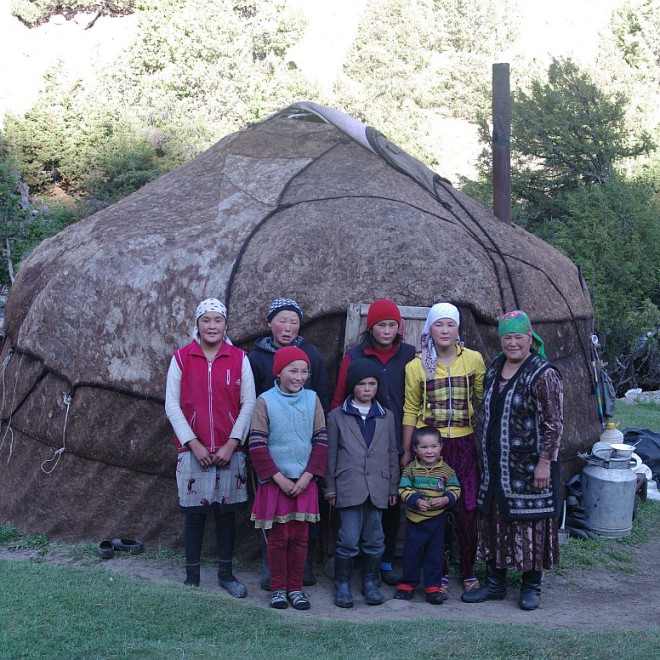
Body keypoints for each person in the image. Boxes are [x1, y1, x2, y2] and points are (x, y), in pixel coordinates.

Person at [462, 310, 563, 611]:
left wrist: (545, 461)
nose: (512, 343)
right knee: (496, 520)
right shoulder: (494, 367)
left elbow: (554, 423)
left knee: (531, 523)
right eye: (507, 337)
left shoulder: (543, 374)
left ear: (530, 337)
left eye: (518, 336)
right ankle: (495, 584)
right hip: (497, 468)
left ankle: (531, 586)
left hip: (530, 467)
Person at [165, 298, 256, 596]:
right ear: (198, 324)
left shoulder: (239, 358)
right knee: (194, 515)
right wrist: (194, 445)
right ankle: (192, 577)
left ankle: (226, 575)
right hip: (194, 451)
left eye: (218, 320)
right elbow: (172, 406)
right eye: (207, 320)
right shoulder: (181, 358)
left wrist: (232, 443)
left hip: (230, 451)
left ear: (226, 324)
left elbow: (248, 403)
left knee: (226, 513)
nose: (212, 326)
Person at [401, 302, 486, 598]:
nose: (445, 330)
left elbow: (481, 398)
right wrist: (406, 450)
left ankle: (468, 571)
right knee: (435, 509)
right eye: (439, 324)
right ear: (430, 329)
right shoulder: (417, 366)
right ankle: (440, 574)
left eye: (450, 324)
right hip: (432, 447)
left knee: (467, 509)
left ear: (458, 328)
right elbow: (411, 408)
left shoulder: (473, 360)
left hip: (464, 442)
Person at [330, 299, 416, 585]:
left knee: (389, 500)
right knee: (352, 503)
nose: (387, 331)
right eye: (381, 325)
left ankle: (385, 561)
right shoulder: (355, 355)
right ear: (371, 327)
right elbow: (340, 394)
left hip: (397, 432)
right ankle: (349, 563)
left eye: (393, 325)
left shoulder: (409, 354)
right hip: (356, 434)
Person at [249, 297, 329, 588]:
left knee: (301, 528)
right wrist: (274, 474)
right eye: (283, 320)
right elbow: (253, 411)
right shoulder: (257, 357)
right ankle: (275, 576)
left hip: (304, 463)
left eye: (294, 321)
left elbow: (320, 416)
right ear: (270, 323)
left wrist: (310, 472)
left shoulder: (312, 359)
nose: (288, 326)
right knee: (276, 528)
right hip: (273, 460)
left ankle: (299, 578)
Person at [325, 359, 400, 608]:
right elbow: (331, 455)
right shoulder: (337, 416)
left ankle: (370, 582)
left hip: (378, 487)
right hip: (348, 485)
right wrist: (331, 488)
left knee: (375, 537)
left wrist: (392, 487)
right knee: (347, 537)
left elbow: (391, 453)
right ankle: (342, 583)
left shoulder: (386, 416)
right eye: (361, 384)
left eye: (372, 384)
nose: (367, 389)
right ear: (351, 386)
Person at [395, 426, 461, 604]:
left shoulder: (446, 471)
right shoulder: (411, 470)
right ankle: (407, 585)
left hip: (436, 521)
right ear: (415, 449)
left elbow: (455, 489)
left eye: (433, 446)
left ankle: (433, 587)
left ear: (441, 446)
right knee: (411, 554)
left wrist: (445, 500)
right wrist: (416, 500)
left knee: (435, 555)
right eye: (424, 447)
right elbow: (404, 489)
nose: (429, 451)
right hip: (415, 520)